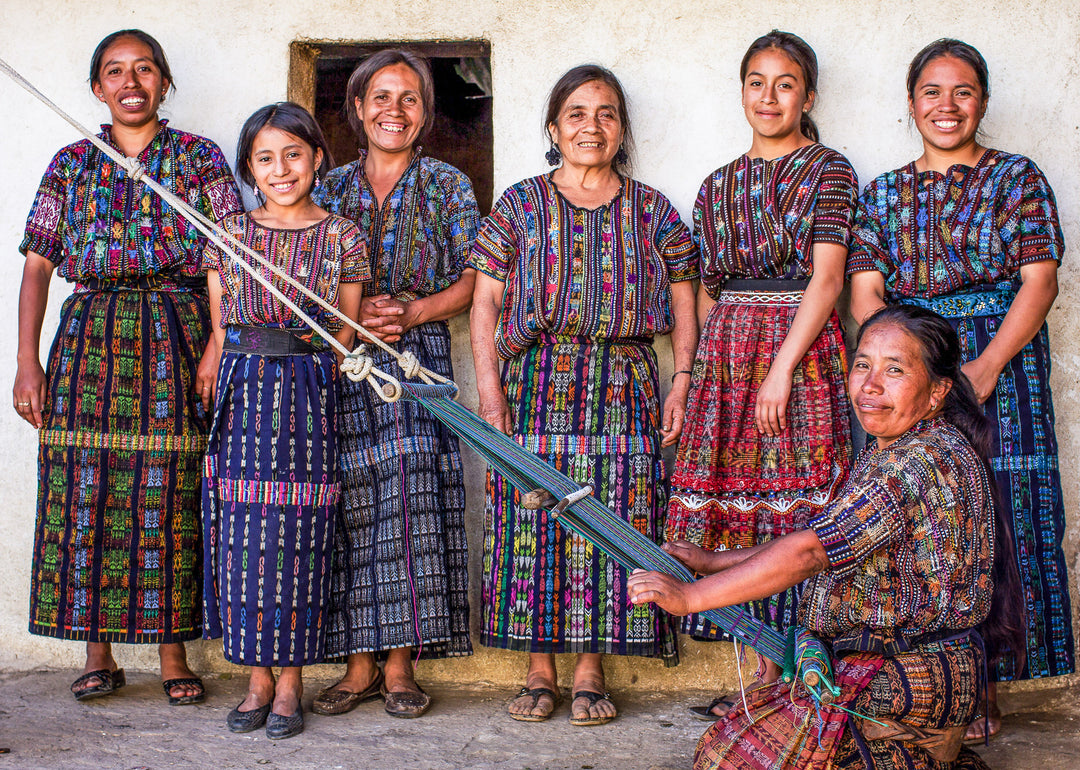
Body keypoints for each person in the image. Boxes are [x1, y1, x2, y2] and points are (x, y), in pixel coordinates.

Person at [630, 304, 1024, 770]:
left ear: (938, 389)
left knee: (729, 761)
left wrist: (691, 597)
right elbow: (822, 536)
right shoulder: (901, 448)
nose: (870, 385)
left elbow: (811, 552)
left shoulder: (917, 460)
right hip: (893, 665)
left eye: (894, 370)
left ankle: (918, 754)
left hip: (910, 676)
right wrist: (713, 560)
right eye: (862, 365)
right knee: (730, 745)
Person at [848, 38, 1073, 741]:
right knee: (924, 525)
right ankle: (930, 679)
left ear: (983, 101)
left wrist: (984, 368)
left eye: (963, 91)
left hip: (1000, 365)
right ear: (911, 102)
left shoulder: (1017, 179)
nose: (947, 107)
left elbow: (1040, 280)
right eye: (932, 92)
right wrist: (897, 373)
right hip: (912, 369)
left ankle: (989, 683)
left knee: (1002, 518)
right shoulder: (881, 192)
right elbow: (865, 296)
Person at [14, 29, 242, 705]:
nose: (131, 81)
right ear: (98, 88)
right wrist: (27, 361)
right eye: (115, 71)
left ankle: (173, 655)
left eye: (144, 68)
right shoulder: (70, 163)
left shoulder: (197, 159)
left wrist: (218, 340)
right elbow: (37, 266)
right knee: (85, 493)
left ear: (165, 83)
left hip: (175, 336)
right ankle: (98, 653)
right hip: (88, 343)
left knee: (171, 491)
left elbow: (226, 254)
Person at [470, 64, 699, 726]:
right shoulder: (518, 204)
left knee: (612, 524)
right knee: (531, 521)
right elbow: (485, 304)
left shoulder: (653, 209)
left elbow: (685, 306)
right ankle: (539, 671)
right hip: (534, 382)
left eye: (605, 114)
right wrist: (490, 391)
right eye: (576, 113)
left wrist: (681, 379)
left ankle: (592, 670)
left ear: (621, 129)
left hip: (623, 386)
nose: (590, 126)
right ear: (553, 127)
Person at [666, 30, 855, 717]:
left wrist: (779, 371)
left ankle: (794, 680)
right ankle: (755, 677)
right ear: (741, 90)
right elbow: (712, 288)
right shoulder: (718, 185)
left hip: (800, 354)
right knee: (732, 513)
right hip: (728, 356)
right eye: (756, 82)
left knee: (798, 507)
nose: (769, 97)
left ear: (807, 95)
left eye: (784, 84)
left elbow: (828, 279)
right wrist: (709, 374)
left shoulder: (829, 170)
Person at [311, 49, 477, 720]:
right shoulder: (329, 187)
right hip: (343, 356)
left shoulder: (447, 185)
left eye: (409, 99)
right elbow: (301, 263)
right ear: (355, 108)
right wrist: (352, 315)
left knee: (408, 503)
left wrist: (411, 311)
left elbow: (473, 280)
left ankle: (402, 665)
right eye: (380, 97)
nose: (394, 111)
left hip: (416, 355)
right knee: (350, 499)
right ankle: (357, 667)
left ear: (426, 114)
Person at [201, 103, 365, 739]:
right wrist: (217, 369)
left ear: (318, 158)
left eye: (293, 154)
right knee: (243, 536)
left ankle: (291, 681)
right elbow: (222, 326)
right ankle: (257, 680)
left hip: (306, 390)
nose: (281, 169)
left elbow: (346, 336)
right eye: (265, 158)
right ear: (249, 167)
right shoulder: (230, 234)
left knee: (297, 538)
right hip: (243, 392)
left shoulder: (343, 235)